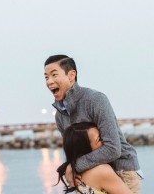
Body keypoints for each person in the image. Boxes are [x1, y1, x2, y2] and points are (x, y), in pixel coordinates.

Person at [44, 54, 143, 193]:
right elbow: (72, 150)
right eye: (46, 77)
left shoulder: (95, 100)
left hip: (122, 170)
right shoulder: (60, 114)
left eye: (54, 75)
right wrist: (71, 167)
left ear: (71, 75)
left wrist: (74, 166)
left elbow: (113, 149)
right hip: (92, 170)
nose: (49, 81)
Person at [55, 122, 133, 194]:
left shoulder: (76, 173)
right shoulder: (101, 171)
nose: (106, 141)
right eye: (99, 139)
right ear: (85, 148)